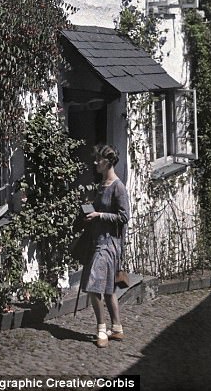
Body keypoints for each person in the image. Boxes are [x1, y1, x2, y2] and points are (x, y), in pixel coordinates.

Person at [80, 143, 130, 348]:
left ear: (107, 162)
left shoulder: (118, 186)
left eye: (98, 160)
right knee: (108, 289)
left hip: (109, 245)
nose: (95, 163)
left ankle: (101, 329)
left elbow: (124, 216)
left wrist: (99, 215)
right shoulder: (102, 184)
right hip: (97, 241)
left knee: (94, 287)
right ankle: (116, 328)